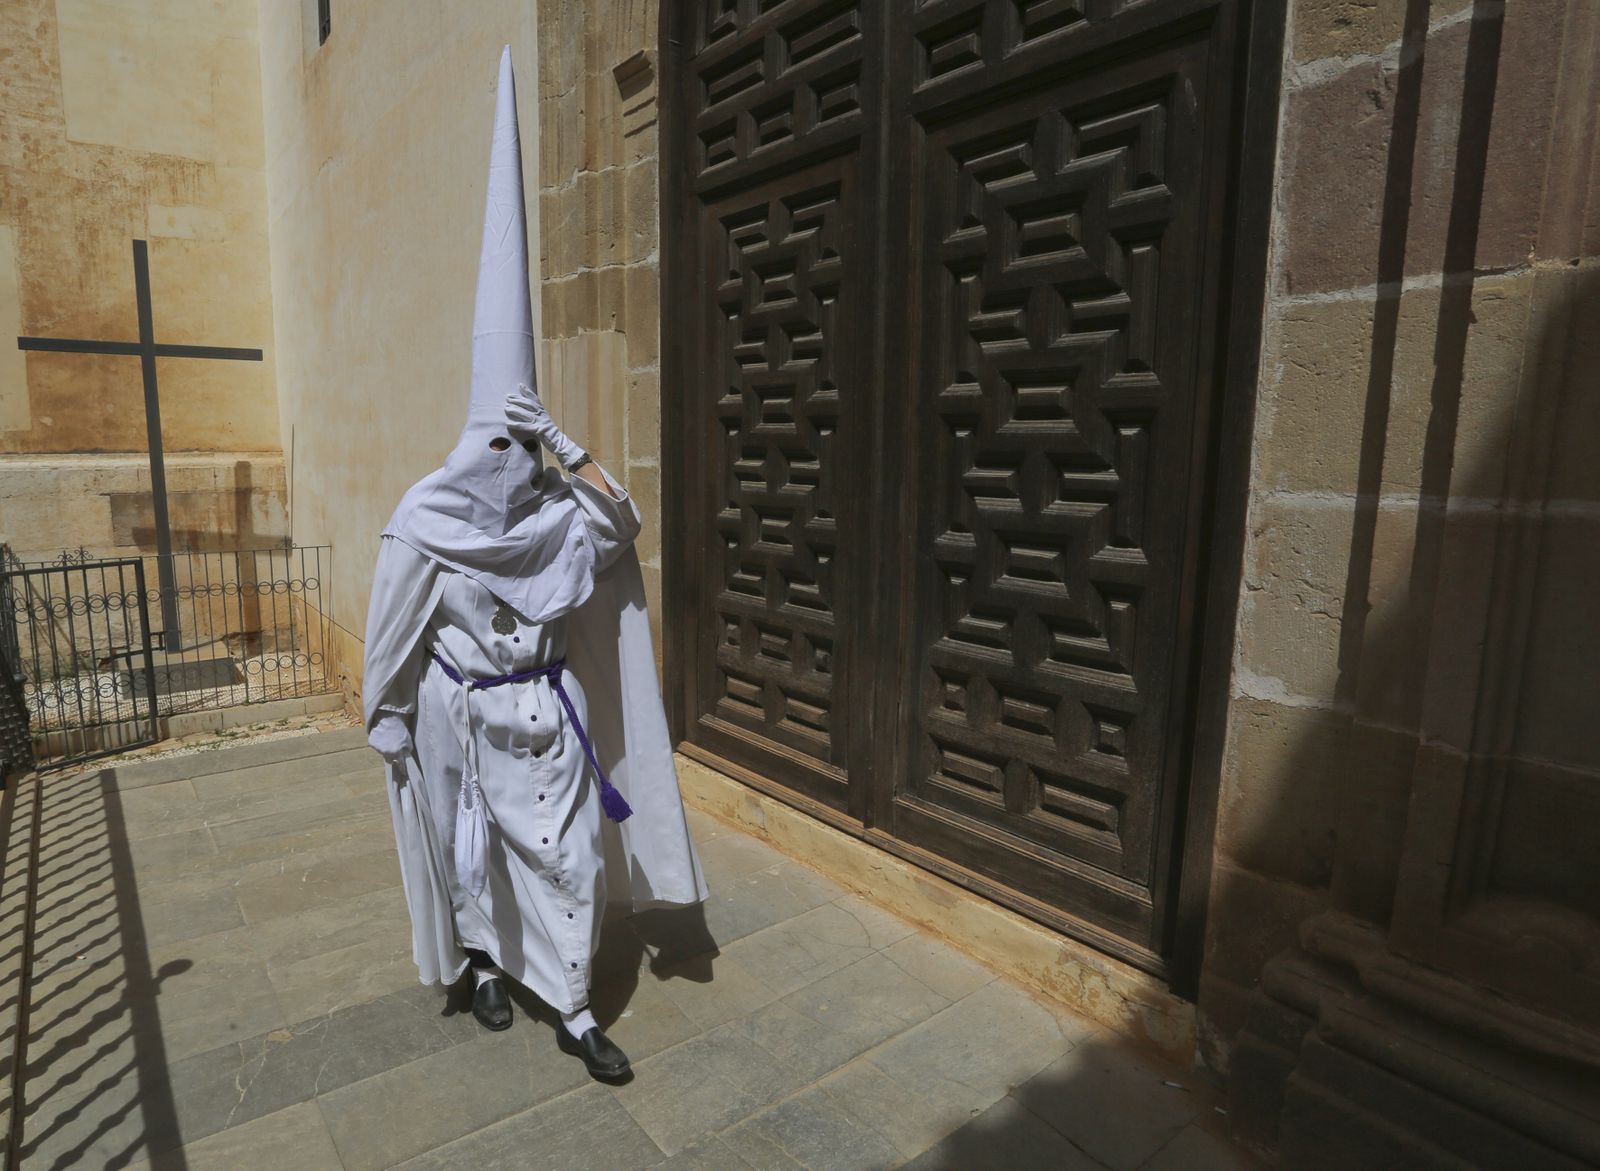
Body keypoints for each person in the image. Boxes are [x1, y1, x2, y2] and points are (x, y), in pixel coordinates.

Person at [360, 47, 706, 1082]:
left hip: (548, 714)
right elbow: (393, 627)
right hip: (463, 715)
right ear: (473, 442)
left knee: (566, 858)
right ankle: (481, 965)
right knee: (475, 856)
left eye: (526, 448)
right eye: (501, 445)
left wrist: (567, 443)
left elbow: (622, 522)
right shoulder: (426, 518)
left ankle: (575, 1005)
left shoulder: (557, 511)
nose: (513, 466)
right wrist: (386, 712)